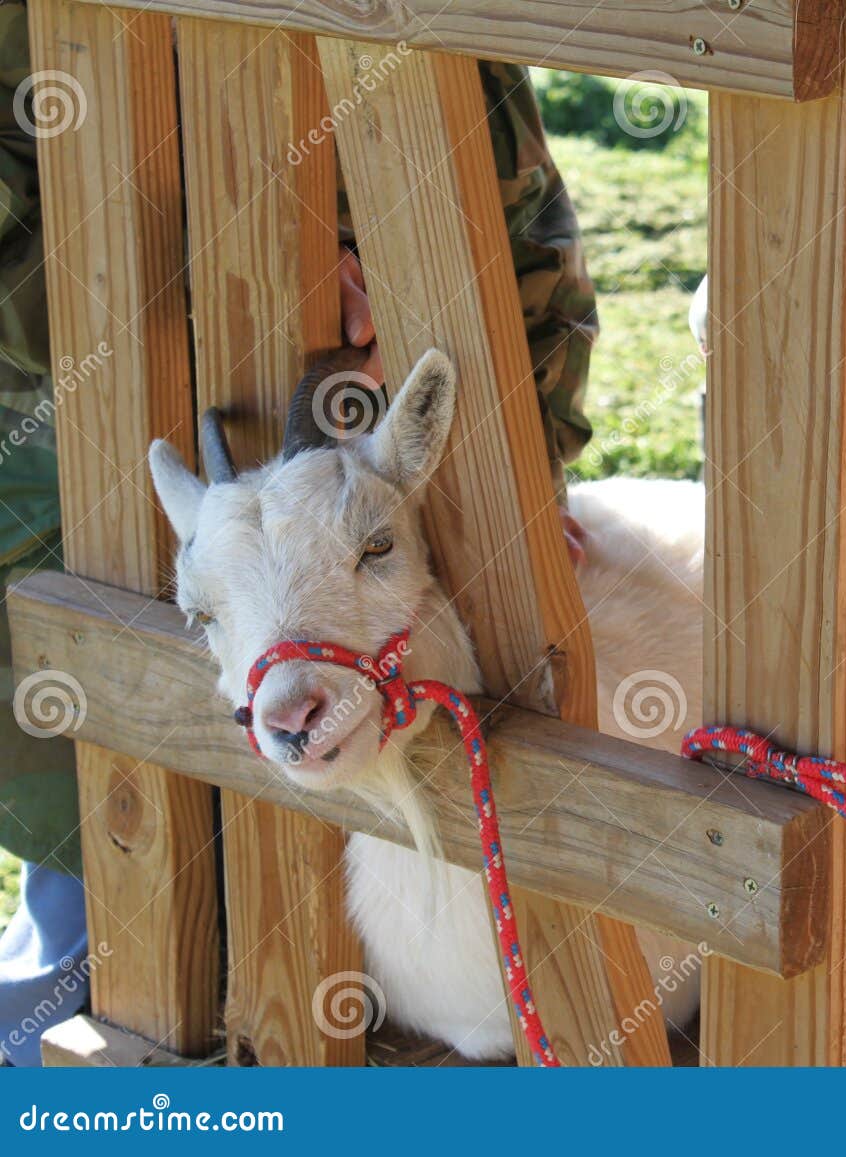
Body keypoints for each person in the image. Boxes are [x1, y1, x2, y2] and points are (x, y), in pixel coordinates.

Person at [0, 6, 598, 1063]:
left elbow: (520, 232)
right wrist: (218, 271)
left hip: (373, 593)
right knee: (129, 909)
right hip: (57, 496)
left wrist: (515, 467)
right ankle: (89, 954)